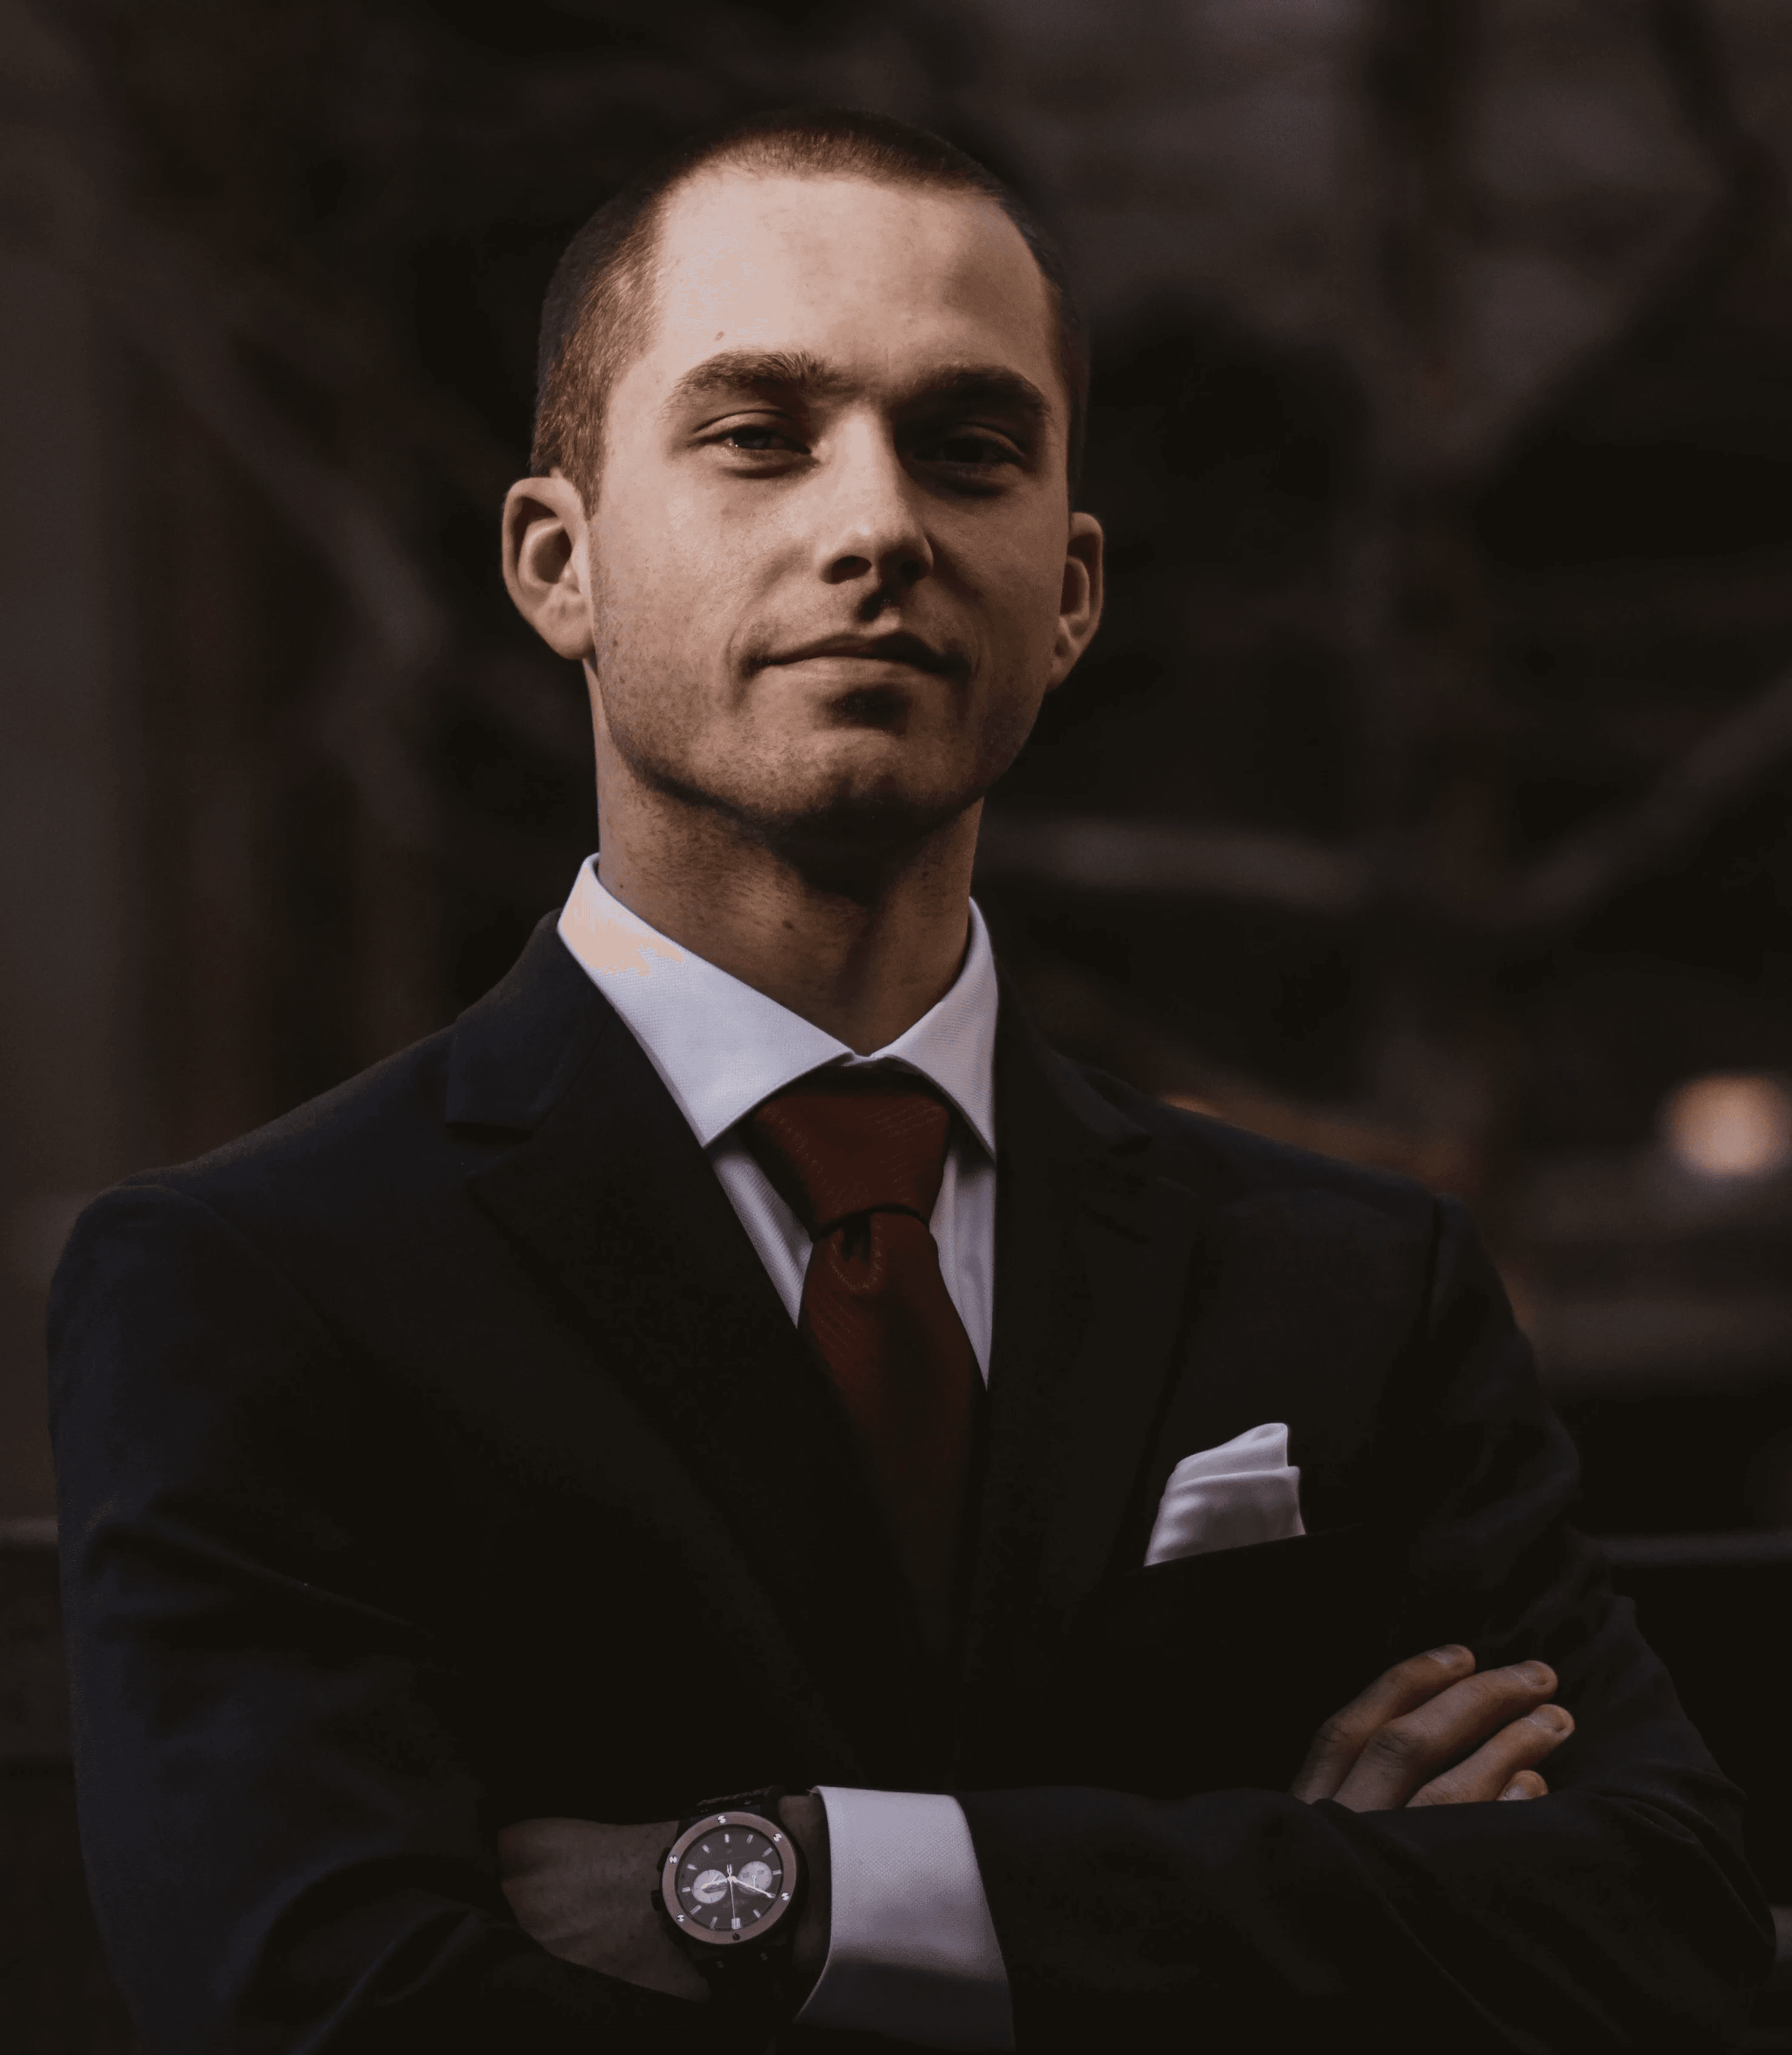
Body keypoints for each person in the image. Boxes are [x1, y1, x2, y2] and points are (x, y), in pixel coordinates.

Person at [49, 106, 1769, 2054]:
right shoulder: (254, 1288)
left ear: (1070, 588)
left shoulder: (1355, 1287)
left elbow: (1666, 1936)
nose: (874, 525)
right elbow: (333, 2012)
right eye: (757, 434)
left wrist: (800, 1886)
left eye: (967, 447)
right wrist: (1284, 1923)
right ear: (558, 560)